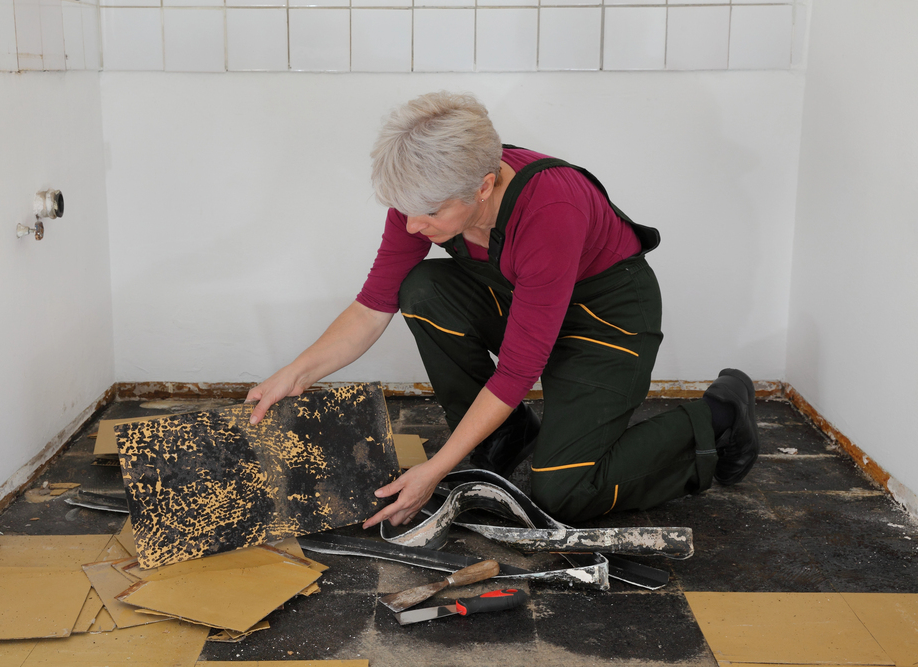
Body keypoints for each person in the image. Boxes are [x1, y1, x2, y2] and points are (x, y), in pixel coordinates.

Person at [245, 91, 759, 530]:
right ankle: (507, 435)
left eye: (429, 214)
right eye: (404, 210)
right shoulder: (423, 197)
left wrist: (435, 472)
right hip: (527, 298)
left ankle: (716, 420)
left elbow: (517, 369)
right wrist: (294, 373)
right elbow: (372, 307)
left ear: (484, 186)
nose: (412, 226)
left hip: (605, 316)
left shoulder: (552, 209)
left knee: (563, 493)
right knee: (421, 287)